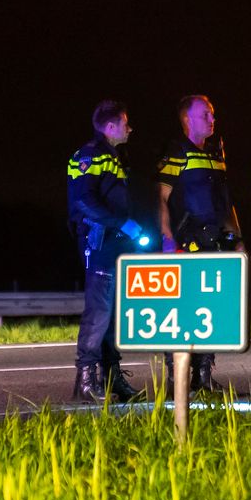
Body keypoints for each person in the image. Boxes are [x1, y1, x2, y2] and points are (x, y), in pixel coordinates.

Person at [157, 94, 244, 393]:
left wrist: (238, 239)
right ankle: (176, 379)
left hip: (216, 243)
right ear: (187, 119)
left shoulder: (216, 153)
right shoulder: (176, 152)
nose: (212, 119)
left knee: (211, 310)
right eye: (205, 114)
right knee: (183, 311)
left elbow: (227, 201)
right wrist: (167, 240)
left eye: (212, 113)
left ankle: (204, 377)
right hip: (187, 243)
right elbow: (162, 198)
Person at [67, 100, 143, 402]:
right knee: (98, 313)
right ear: (110, 126)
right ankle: (85, 381)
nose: (130, 128)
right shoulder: (88, 155)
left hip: (117, 245)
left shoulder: (115, 156)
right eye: (125, 123)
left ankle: (112, 379)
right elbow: (83, 202)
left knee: (113, 315)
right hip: (100, 244)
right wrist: (123, 222)